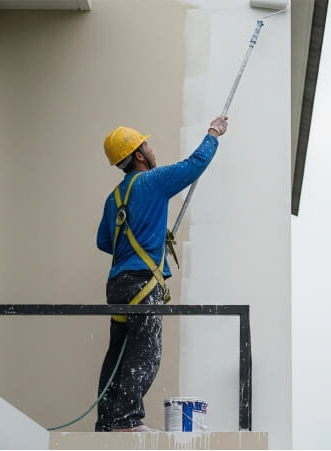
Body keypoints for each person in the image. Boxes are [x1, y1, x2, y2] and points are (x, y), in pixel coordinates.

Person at [94, 116, 228, 432]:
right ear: (139, 155)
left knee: (118, 351)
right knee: (146, 351)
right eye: (147, 145)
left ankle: (108, 421)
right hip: (142, 283)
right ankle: (126, 421)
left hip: (117, 285)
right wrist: (213, 134)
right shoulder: (152, 182)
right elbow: (194, 165)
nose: (152, 150)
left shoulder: (114, 198)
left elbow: (104, 241)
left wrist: (143, 236)